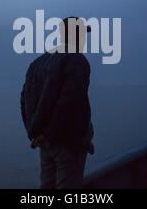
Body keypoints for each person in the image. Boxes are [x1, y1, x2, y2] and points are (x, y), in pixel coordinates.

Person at [20, 17, 94, 189]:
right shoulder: (76, 60)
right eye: (83, 33)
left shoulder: (36, 64)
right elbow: (70, 104)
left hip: (44, 144)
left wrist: (35, 134)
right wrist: (49, 134)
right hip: (66, 143)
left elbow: (25, 101)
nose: (84, 38)